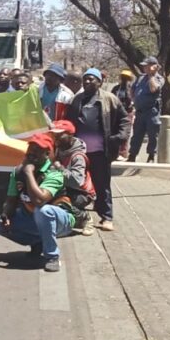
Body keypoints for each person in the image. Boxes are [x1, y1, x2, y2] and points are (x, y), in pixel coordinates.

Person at [0, 132, 74, 272]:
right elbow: (11, 199)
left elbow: (39, 200)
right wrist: (6, 214)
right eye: (30, 149)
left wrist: (29, 173)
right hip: (31, 217)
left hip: (61, 220)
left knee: (43, 210)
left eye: (37, 151)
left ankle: (52, 256)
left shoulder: (54, 172)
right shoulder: (17, 172)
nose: (31, 154)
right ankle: (37, 242)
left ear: (47, 154)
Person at [65, 68, 130, 232]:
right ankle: (77, 217)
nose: (87, 82)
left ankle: (106, 217)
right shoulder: (76, 100)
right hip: (79, 153)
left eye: (91, 79)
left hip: (100, 152)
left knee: (102, 185)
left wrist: (120, 137)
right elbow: (68, 122)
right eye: (85, 79)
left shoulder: (110, 99)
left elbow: (124, 120)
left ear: (99, 82)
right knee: (75, 184)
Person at [49, 120, 95, 235]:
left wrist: (60, 168)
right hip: (64, 187)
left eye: (60, 135)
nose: (56, 138)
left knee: (63, 202)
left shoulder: (77, 156)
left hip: (81, 193)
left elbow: (76, 181)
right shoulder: (59, 149)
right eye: (55, 135)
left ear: (70, 135)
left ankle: (85, 219)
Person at [128, 57, 165, 162]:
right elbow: (132, 89)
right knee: (137, 135)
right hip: (140, 111)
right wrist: (134, 100)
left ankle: (151, 156)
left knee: (153, 134)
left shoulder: (158, 78)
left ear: (154, 66)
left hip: (151, 111)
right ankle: (132, 155)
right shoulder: (140, 77)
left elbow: (153, 89)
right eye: (144, 65)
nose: (144, 67)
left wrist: (151, 75)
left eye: (147, 65)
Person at [110, 68, 136, 159]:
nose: (125, 79)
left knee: (125, 133)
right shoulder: (116, 88)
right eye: (123, 77)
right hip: (117, 113)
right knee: (116, 132)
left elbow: (134, 100)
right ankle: (115, 152)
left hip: (128, 113)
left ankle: (123, 153)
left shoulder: (132, 89)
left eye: (127, 78)